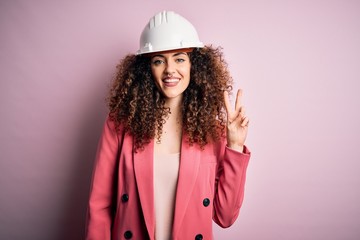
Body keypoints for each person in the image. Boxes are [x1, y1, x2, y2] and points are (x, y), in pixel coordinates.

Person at [85, 10, 251, 240]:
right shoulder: (120, 124)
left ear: (195, 66)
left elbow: (225, 217)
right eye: (159, 60)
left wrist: (234, 146)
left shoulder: (213, 132)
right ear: (146, 69)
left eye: (180, 58)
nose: (170, 69)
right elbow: (100, 205)